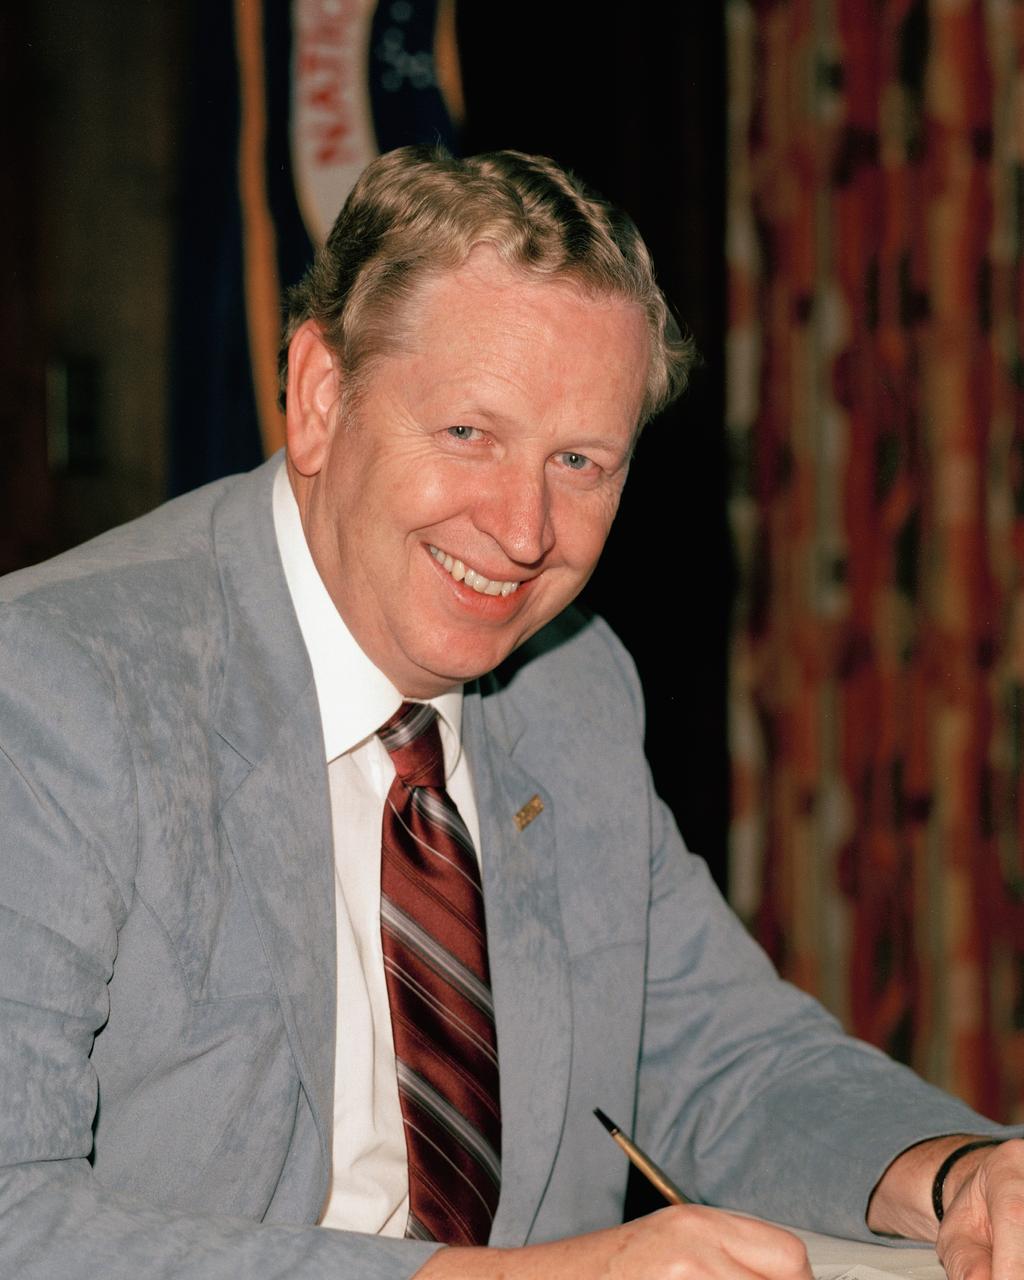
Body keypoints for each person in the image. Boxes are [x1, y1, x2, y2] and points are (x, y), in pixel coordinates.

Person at [0, 146, 1021, 1280]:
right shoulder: (53, 686)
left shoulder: (570, 687)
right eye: (469, 434)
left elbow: (719, 1056)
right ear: (321, 396)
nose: (524, 531)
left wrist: (961, 1175)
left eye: (578, 460)